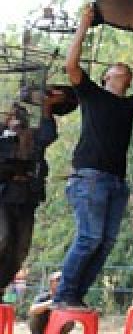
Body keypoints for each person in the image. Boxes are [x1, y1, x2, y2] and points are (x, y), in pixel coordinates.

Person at [54, 12, 133, 307]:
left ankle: (75, 297)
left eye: (126, 68)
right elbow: (71, 64)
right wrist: (83, 24)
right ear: (107, 76)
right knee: (89, 238)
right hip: (90, 178)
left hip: (115, 183)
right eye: (116, 66)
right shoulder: (91, 94)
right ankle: (63, 296)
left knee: (105, 243)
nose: (123, 67)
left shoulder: (129, 105)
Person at [0, 95, 58, 290]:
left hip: (26, 200)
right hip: (4, 199)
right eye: (13, 117)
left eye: (20, 117)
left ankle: (1, 285)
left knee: (21, 250)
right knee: (3, 238)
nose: (17, 121)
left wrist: (47, 107)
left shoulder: (34, 139)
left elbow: (49, 132)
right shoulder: (3, 140)